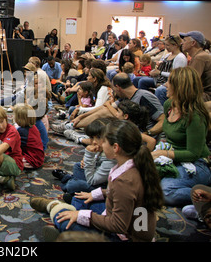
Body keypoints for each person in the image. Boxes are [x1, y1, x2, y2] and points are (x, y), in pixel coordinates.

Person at [30, 119, 164, 242]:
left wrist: (82, 216)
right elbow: (116, 194)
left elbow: (118, 225)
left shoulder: (125, 181)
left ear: (115, 147)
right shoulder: (132, 164)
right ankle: (66, 216)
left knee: (65, 221)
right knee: (81, 198)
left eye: (104, 141)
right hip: (122, 220)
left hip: (124, 236)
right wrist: (94, 195)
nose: (100, 144)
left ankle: (55, 209)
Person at [151, 67, 211, 207]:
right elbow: (167, 133)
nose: (165, 84)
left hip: (196, 164)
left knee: (165, 191)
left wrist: (163, 153)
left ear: (180, 87)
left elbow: (193, 153)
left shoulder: (194, 116)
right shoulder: (169, 105)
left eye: (169, 82)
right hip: (171, 157)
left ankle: (205, 195)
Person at [53, 118, 116, 202]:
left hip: (101, 185)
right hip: (95, 175)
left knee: (74, 185)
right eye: (91, 138)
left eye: (98, 137)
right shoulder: (102, 149)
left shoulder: (110, 159)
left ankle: (68, 181)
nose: (94, 142)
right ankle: (70, 181)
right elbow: (95, 163)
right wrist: (86, 162)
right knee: (78, 166)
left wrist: (89, 156)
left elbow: (92, 180)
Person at [133, 35, 188, 106]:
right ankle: (141, 103)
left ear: (175, 45)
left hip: (171, 82)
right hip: (160, 78)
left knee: (160, 90)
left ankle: (158, 111)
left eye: (168, 45)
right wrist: (154, 72)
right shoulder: (168, 55)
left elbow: (176, 75)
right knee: (137, 80)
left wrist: (160, 73)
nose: (166, 47)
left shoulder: (180, 58)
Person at [180, 30, 211, 102]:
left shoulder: (199, 58)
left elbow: (190, 81)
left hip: (205, 95)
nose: (182, 43)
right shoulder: (198, 56)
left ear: (193, 43)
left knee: (164, 93)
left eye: (184, 41)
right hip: (202, 93)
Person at [13, 103, 45, 169]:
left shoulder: (22, 131)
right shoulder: (32, 127)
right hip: (38, 157)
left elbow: (13, 145)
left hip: (32, 159)